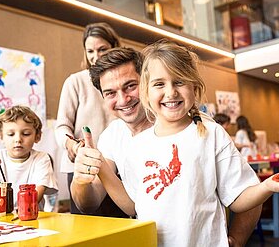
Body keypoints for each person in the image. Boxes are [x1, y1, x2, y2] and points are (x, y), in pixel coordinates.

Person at [91, 40, 279, 247]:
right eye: (159, 84)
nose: (171, 92)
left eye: (179, 81)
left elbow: (238, 199)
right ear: (145, 92)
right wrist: (100, 166)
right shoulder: (136, 147)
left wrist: (268, 186)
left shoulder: (211, 134)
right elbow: (133, 206)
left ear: (194, 88)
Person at [73, 46, 264, 246]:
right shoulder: (113, 137)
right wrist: (81, 178)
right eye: (110, 93)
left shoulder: (200, 129)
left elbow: (244, 190)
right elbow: (94, 203)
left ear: (146, 82)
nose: (123, 99)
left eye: (130, 86)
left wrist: (236, 239)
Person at [54, 22, 126, 216]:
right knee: (87, 222)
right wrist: (71, 145)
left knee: (119, 223)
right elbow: (61, 126)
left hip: (117, 166)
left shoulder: (123, 81)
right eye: (90, 51)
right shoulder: (75, 81)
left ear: (115, 47)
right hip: (83, 166)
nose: (96, 56)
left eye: (103, 49)